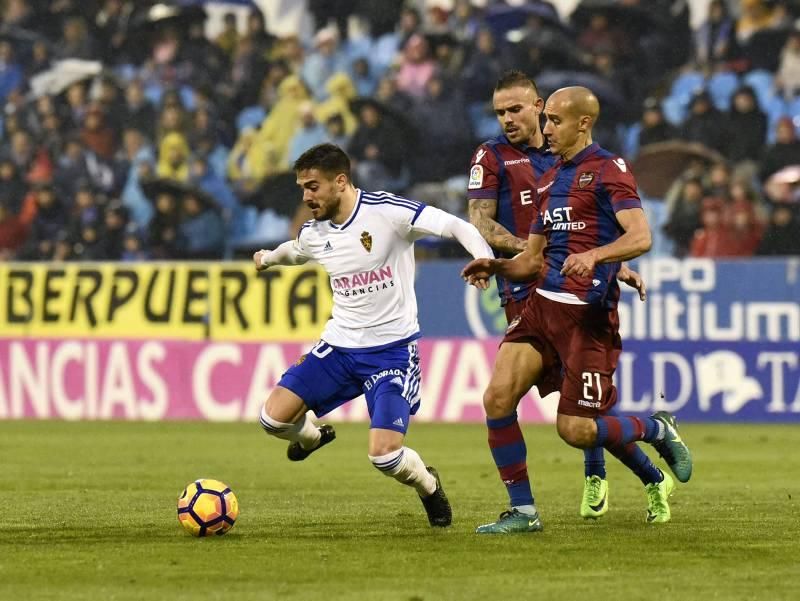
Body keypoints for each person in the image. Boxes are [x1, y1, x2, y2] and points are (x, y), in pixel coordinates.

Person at [462, 87, 693, 533]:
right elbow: (532, 259)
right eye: (545, 120)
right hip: (540, 308)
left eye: (554, 121)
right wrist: (496, 263)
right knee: (496, 398)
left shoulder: (611, 169)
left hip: (587, 319)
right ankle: (524, 513)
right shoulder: (548, 180)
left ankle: (656, 429)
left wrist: (600, 257)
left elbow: (642, 237)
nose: (546, 129)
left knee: (576, 430)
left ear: (583, 123)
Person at [253, 143, 494, 527]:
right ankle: (313, 438)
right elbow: (294, 252)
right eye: (302, 187)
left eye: (313, 186)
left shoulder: (387, 211)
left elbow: (455, 225)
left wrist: (484, 258)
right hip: (338, 348)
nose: (306, 196)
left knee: (384, 456)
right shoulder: (316, 233)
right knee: (272, 420)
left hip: (391, 353)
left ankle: (428, 485)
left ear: (341, 181)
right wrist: (266, 258)